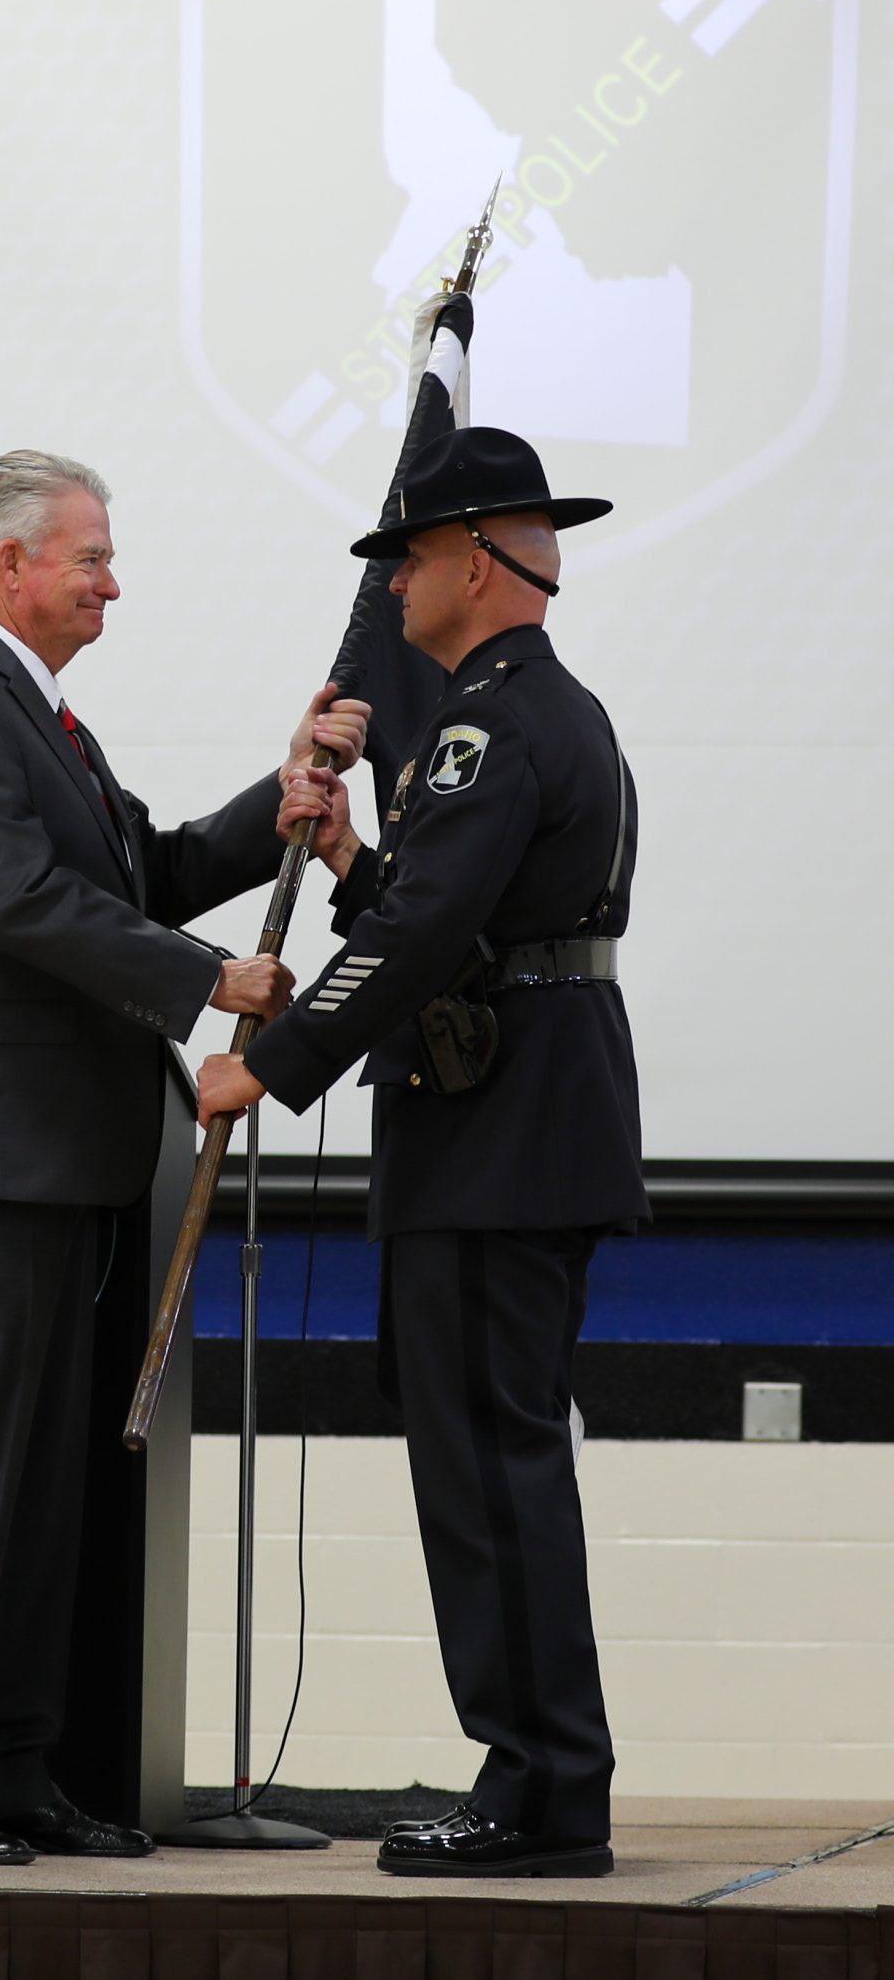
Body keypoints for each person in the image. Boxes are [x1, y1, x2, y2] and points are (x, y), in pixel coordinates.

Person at [0, 449, 368, 1866]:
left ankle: (8, 1768)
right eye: (90, 558)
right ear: (12, 563)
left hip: (51, 1157)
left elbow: (132, 869)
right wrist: (214, 982)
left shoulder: (43, 718)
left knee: (39, 1478)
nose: (112, 582)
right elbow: (19, 904)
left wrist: (285, 796)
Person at [199, 425, 638, 1881]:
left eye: (403, 557)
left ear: (468, 560)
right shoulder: (527, 713)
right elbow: (450, 910)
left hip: (502, 1131)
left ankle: (538, 1786)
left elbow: (424, 942)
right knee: (486, 1454)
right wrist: (343, 868)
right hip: (514, 1118)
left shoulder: (491, 721)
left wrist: (267, 1062)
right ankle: (540, 1773)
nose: (388, 586)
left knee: (491, 1464)